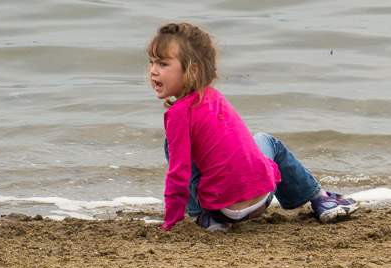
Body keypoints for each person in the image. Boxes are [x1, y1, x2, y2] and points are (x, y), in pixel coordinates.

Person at [147, 22, 358, 232]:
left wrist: (171, 222)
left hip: (221, 209)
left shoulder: (177, 114)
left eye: (163, 64)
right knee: (266, 141)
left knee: (174, 146)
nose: (153, 71)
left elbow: (178, 175)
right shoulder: (215, 98)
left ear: (192, 69)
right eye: (152, 62)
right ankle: (321, 200)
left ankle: (207, 218)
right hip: (263, 199)